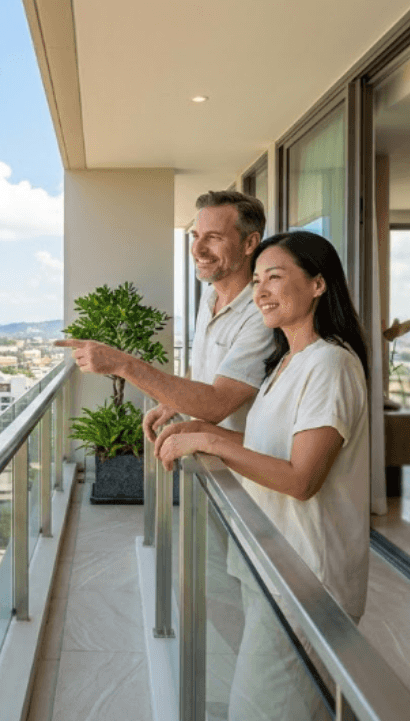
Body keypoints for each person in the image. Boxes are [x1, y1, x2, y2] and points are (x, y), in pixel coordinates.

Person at [157, 230, 370, 720]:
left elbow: (301, 478)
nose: (261, 291)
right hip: (273, 566)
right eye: (257, 280)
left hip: (307, 580)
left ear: (318, 284)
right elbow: (265, 451)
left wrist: (209, 439)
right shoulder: (286, 363)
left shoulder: (330, 364)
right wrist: (197, 429)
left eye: (276, 277)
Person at [55, 190, 274, 437]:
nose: (198, 249)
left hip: (236, 471)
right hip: (202, 458)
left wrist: (122, 363)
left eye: (213, 238)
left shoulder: (262, 314)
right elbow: (205, 367)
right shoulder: (211, 296)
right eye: (196, 236)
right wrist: (173, 401)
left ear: (249, 243)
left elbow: (217, 404)